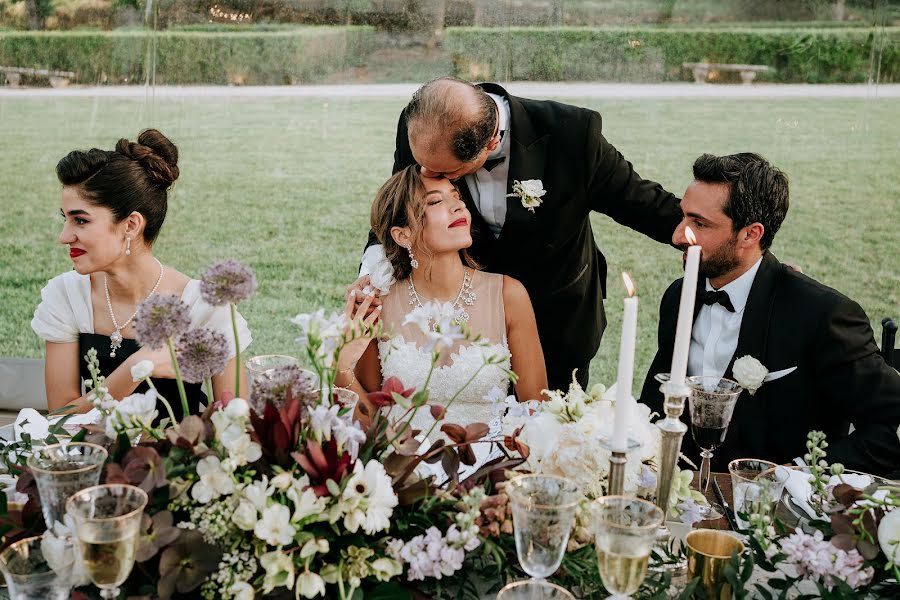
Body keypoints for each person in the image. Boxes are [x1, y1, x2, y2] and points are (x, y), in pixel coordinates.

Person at [356, 76, 683, 391]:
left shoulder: (573, 134)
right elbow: (398, 206)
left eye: (444, 173)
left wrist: (706, 233)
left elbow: (641, 203)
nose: (428, 174)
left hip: (555, 320)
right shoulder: (423, 129)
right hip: (464, 330)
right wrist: (372, 275)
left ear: (492, 141)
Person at [639, 152, 900, 476]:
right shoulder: (679, 296)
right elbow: (656, 401)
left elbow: (889, 430)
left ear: (751, 234)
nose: (679, 235)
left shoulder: (822, 315)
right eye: (683, 218)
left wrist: (796, 473)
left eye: (699, 224)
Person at [32, 129, 251, 419]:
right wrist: (133, 371)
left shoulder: (204, 307)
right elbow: (60, 416)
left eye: (80, 220)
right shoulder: (66, 296)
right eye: (66, 219)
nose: (64, 236)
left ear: (131, 225)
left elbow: (235, 421)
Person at [337, 165, 547, 432]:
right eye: (435, 201)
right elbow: (369, 424)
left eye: (457, 197)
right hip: (402, 466)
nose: (458, 207)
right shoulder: (380, 304)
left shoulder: (508, 296)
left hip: (489, 466)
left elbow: (536, 411)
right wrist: (342, 365)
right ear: (403, 235)